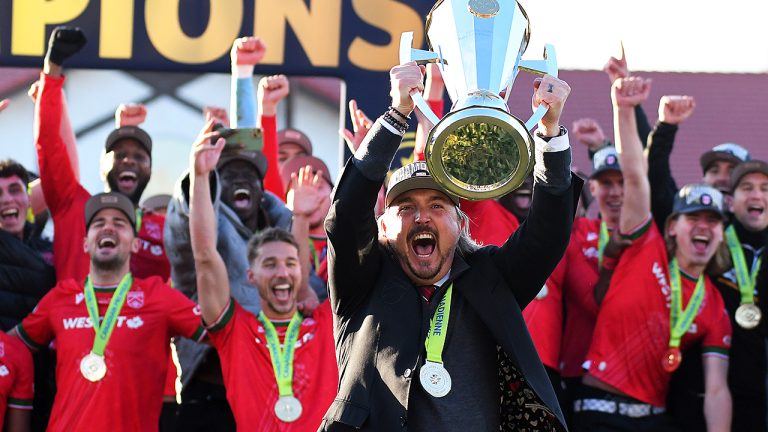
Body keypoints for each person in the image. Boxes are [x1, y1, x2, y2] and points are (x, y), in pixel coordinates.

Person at [320, 62, 581, 431]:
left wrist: (550, 132)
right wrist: (398, 115)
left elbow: (548, 232)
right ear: (383, 224)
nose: (422, 217)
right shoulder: (361, 281)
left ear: (460, 224)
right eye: (406, 207)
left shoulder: (490, 278)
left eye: (437, 206)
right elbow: (345, 215)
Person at [575, 77, 732, 432]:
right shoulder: (644, 243)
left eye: (713, 221)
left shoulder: (714, 306)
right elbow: (634, 174)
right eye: (693, 219)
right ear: (673, 226)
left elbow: (717, 389)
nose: (703, 227)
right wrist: (624, 109)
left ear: (722, 234)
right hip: (600, 410)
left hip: (656, 419)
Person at [164, 38, 298, 429]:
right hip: (208, 389)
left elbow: (245, 143)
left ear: (263, 189)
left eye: (249, 174)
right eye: (228, 173)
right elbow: (194, 214)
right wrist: (200, 172)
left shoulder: (282, 228)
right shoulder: (199, 221)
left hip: (271, 383)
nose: (240, 179)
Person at [10, 192, 206, 431]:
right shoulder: (60, 298)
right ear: (85, 243)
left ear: (135, 244)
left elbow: (222, 332)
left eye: (120, 223)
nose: (108, 228)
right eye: (98, 224)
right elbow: (9, 347)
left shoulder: (159, 296)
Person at [188, 122, 337, 429]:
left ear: (302, 271)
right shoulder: (235, 331)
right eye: (269, 264)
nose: (281, 271)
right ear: (251, 275)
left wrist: (300, 217)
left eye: (290, 264)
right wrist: (200, 177)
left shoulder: (328, 323)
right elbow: (204, 256)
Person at [34, 26, 170, 282]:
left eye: (139, 157)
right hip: (71, 322)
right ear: (101, 166)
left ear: (150, 170)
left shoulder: (166, 230)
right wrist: (52, 69)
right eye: (118, 155)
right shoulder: (73, 206)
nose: (128, 159)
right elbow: (49, 144)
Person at [523, 145, 632, 423]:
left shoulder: (648, 238)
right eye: (607, 183)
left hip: (626, 375)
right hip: (573, 371)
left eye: (624, 183)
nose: (616, 192)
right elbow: (592, 301)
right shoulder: (576, 235)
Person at [280, 155, 334, 289]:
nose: (310, 194)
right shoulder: (276, 244)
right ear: (286, 201)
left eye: (319, 186)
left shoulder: (347, 241)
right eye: (298, 188)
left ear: (333, 193)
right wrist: (300, 217)